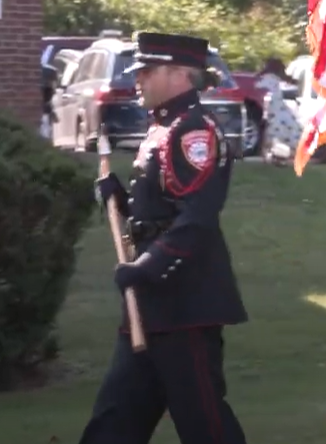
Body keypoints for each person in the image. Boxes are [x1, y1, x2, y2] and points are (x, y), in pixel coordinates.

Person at [83, 31, 249, 444]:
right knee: (114, 420)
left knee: (205, 425)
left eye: (146, 70)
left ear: (179, 74)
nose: (137, 78)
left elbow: (197, 218)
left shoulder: (195, 132)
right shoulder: (164, 127)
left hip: (185, 305)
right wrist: (118, 199)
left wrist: (145, 267)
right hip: (150, 305)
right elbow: (158, 212)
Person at [253, 57, 300, 165]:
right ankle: (278, 155)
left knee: (269, 134)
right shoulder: (273, 79)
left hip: (271, 109)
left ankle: (269, 155)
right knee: (283, 131)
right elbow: (291, 83)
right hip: (276, 109)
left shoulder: (264, 78)